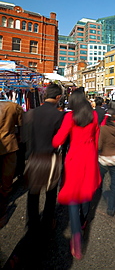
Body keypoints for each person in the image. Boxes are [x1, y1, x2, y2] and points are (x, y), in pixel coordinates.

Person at [52, 89, 101, 260]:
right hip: (90, 156)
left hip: (74, 158)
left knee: (73, 196)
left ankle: (76, 237)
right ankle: (84, 220)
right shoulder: (94, 116)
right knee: (87, 190)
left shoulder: (69, 117)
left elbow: (58, 140)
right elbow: (96, 138)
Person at [23, 83, 64, 236]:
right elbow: (61, 139)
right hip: (50, 158)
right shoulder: (59, 115)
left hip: (34, 157)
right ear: (58, 97)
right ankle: (47, 222)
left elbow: (25, 137)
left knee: (33, 193)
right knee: (50, 193)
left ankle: (32, 225)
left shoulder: (31, 113)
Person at [0, 96, 23, 228]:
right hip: (9, 144)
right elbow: (20, 124)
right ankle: (5, 195)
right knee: (8, 173)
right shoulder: (13, 106)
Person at [98, 108, 115, 216]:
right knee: (114, 184)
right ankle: (111, 208)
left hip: (104, 158)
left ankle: (99, 198)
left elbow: (99, 145)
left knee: (100, 180)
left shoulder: (103, 129)